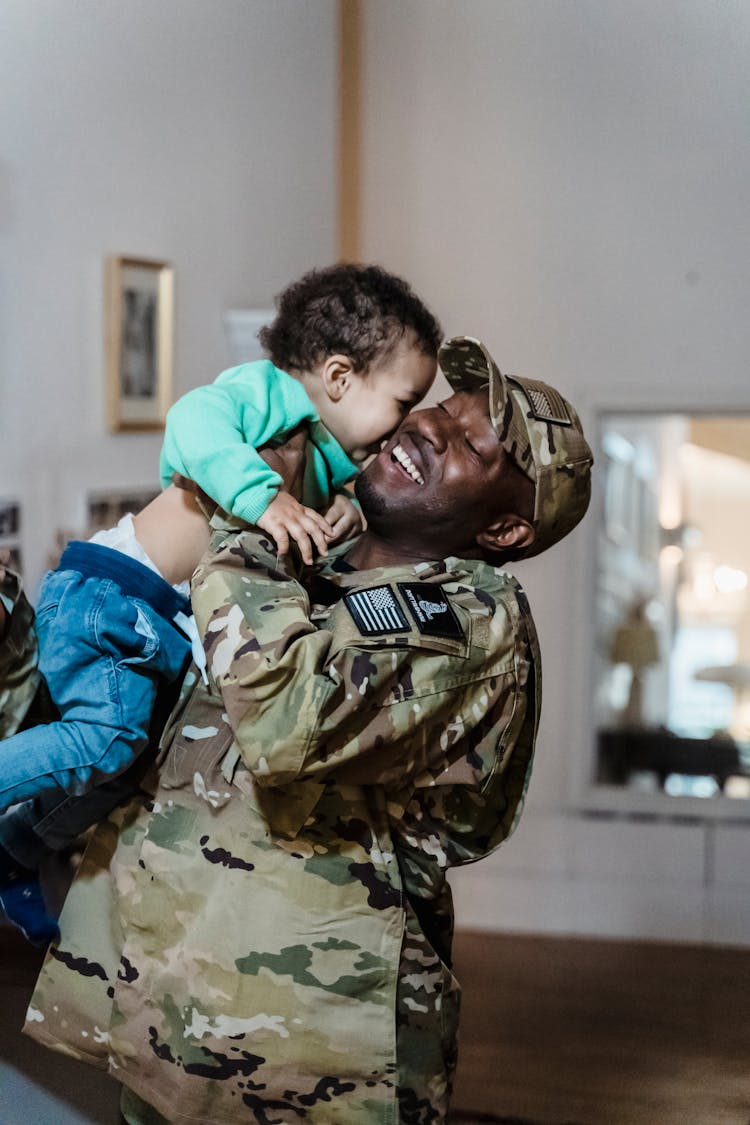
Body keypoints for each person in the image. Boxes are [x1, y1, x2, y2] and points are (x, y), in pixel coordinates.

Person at [24, 336, 593, 1125]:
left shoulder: (466, 622)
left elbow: (284, 715)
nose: (428, 428)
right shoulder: (326, 551)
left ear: (503, 531)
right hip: (175, 1010)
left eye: (471, 444)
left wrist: (248, 511)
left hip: (308, 1056)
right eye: (440, 410)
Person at [0, 263, 441, 945]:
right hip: (116, 593)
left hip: (157, 627)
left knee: (118, 771)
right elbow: (191, 423)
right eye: (403, 402)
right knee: (108, 738)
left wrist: (350, 508)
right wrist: (263, 495)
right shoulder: (269, 396)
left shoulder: (327, 465)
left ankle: (12, 850)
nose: (402, 427)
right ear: (339, 377)